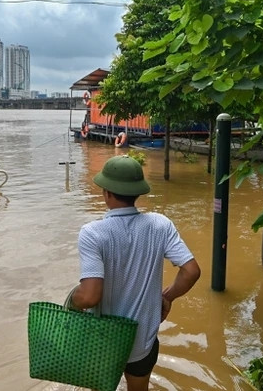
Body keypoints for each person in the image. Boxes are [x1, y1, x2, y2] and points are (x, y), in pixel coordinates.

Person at [70, 155, 201, 391]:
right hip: (143, 342)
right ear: (137, 192)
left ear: (107, 193)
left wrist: (72, 300)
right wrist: (167, 296)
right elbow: (191, 271)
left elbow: (89, 296)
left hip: (102, 342)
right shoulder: (161, 225)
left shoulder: (92, 233)